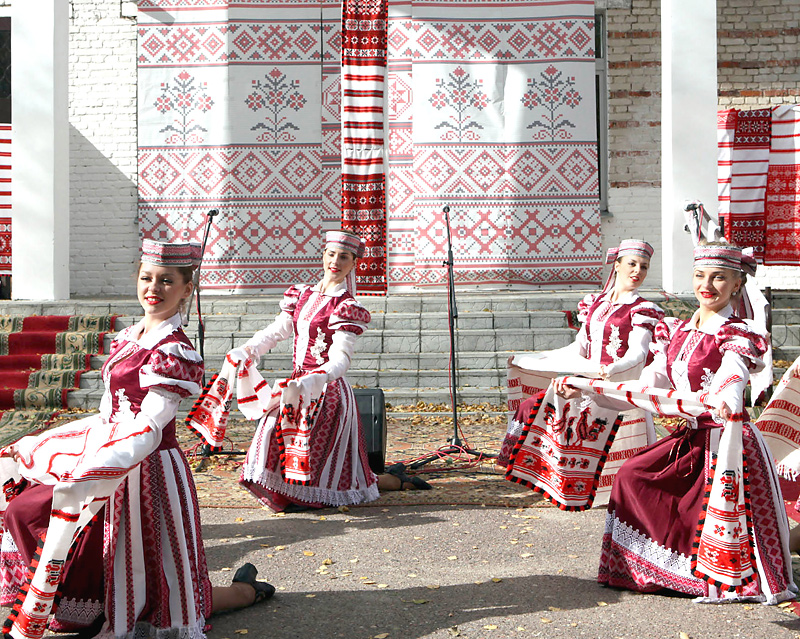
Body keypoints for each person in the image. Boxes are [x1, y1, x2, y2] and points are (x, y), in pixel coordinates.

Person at [0, 240, 272, 639]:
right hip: (108, 454)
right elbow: (110, 412)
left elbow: (151, 425)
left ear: (186, 289)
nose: (154, 287)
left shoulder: (175, 350)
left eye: (166, 281)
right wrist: (51, 442)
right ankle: (73, 605)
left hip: (148, 469)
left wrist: (100, 467)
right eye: (147, 278)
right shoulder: (128, 336)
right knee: (27, 509)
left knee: (163, 589)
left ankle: (246, 592)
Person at [559, 243, 794, 603]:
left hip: (727, 440)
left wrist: (727, 400)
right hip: (691, 435)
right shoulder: (677, 330)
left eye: (719, 278)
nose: (708, 285)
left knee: (708, 507)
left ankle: (713, 576)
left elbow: (733, 375)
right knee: (632, 475)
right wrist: (586, 390)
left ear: (736, 285)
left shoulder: (737, 332)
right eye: (701, 276)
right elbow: (649, 384)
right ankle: (652, 569)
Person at [232, 230, 426, 514]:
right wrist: (248, 350)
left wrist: (317, 378)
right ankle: (290, 494)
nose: (335, 261)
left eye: (344, 257)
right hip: (295, 385)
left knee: (330, 467)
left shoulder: (347, 306)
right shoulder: (301, 295)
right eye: (331, 254)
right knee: (271, 429)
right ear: (323, 256)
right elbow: (276, 331)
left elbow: (340, 360)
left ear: (353, 263)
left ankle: (393, 483)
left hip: (327, 390)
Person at [500, 239, 664, 503]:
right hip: (588, 377)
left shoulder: (642, 309)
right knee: (540, 407)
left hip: (617, 383)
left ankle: (604, 490)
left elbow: (639, 354)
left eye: (644, 267)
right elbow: (579, 347)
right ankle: (560, 483)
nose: (638, 271)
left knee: (573, 418)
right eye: (632, 264)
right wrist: (536, 358)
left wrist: (611, 368)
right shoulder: (595, 303)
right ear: (617, 264)